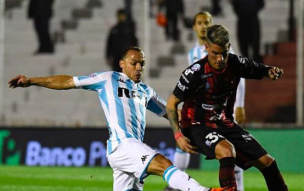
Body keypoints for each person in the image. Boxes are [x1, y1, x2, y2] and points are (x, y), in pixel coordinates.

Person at [8, 47, 234, 191]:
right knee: (164, 164)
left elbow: (170, 112)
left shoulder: (146, 91)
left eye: (142, 64)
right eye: (134, 63)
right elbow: (68, 81)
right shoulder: (107, 79)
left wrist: (185, 132)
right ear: (122, 63)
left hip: (127, 152)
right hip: (122, 145)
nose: (138, 67)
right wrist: (31, 81)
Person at [166, 25, 288, 191]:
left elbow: (259, 69)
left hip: (224, 123)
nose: (220, 58)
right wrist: (178, 136)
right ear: (207, 48)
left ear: (229, 47)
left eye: (223, 53)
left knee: (268, 163)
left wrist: (270, 71)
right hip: (197, 125)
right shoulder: (195, 73)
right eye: (215, 53)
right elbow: (172, 103)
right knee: (226, 150)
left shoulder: (235, 63)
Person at [164, 12, 246, 191]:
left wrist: (240, 104)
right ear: (194, 27)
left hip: (223, 110)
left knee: (234, 149)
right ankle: (175, 185)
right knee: (184, 143)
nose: (203, 26)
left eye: (207, 22)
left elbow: (240, 74)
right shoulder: (193, 53)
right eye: (200, 23)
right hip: (199, 111)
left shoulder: (223, 51)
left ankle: (239, 188)